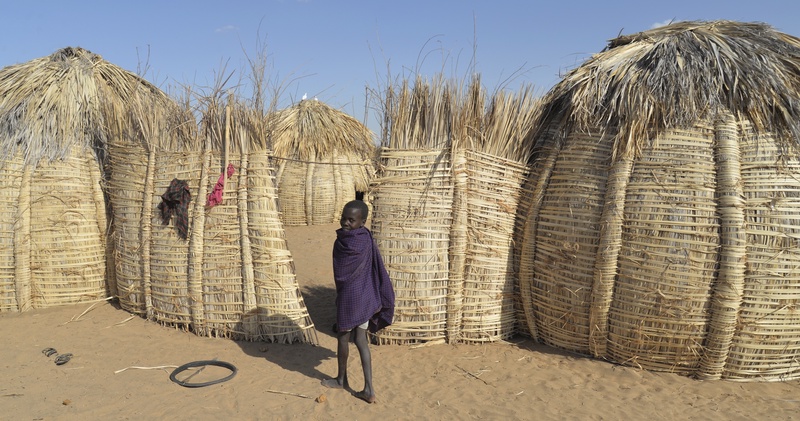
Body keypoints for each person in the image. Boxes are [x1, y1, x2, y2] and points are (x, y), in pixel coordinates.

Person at [321, 200, 394, 404]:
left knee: (343, 337)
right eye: (343, 218)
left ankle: (341, 379)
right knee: (361, 340)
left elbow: (342, 273)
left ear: (362, 222)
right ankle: (369, 388)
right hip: (365, 297)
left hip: (350, 298)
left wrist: (344, 290)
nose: (345, 223)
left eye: (351, 220)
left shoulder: (344, 242)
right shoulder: (366, 238)